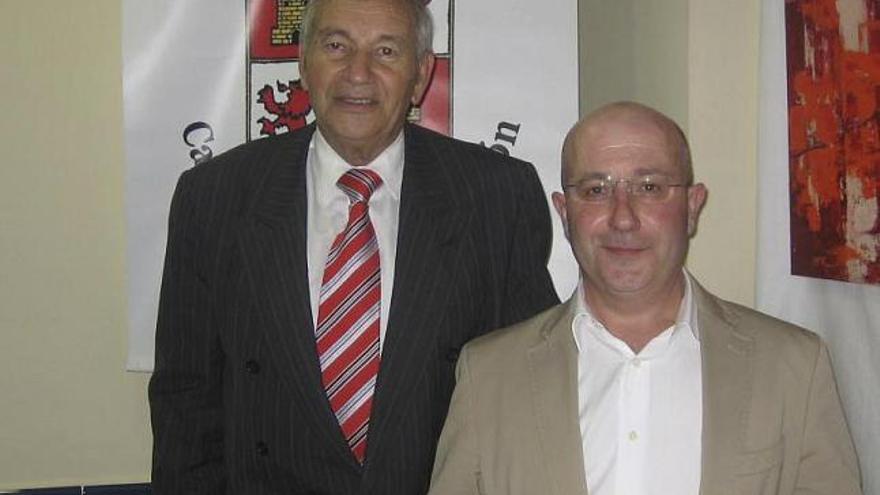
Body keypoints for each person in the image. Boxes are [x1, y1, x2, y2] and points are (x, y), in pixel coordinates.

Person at [147, 0, 559, 493]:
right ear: (303, 62)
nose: (358, 73)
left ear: (421, 73)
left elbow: (527, 393)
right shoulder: (215, 198)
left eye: (386, 51)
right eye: (336, 45)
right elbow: (185, 405)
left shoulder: (496, 196)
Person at [428, 101, 862, 495]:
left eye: (650, 187)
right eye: (596, 190)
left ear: (692, 207)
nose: (623, 217)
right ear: (564, 213)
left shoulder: (794, 369)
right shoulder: (488, 375)